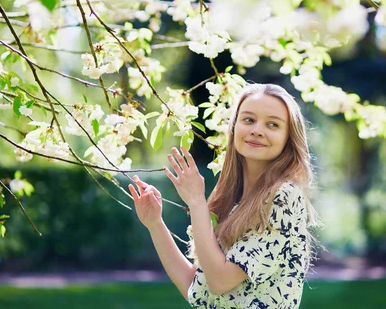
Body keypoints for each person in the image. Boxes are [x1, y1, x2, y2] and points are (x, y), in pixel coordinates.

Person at [129, 83, 316, 308]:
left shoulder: (283, 196)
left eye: (273, 124)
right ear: (234, 127)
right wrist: (155, 223)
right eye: (248, 120)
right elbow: (196, 288)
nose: (257, 130)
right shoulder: (233, 202)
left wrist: (197, 201)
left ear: (288, 138)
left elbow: (220, 281)